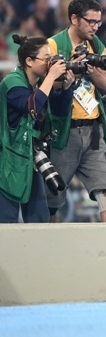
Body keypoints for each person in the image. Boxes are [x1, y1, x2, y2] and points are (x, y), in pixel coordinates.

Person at [47, 0, 106, 223]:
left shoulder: (96, 45)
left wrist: (89, 69)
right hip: (63, 133)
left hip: (94, 131)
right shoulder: (53, 45)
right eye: (91, 22)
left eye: (98, 22)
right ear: (74, 19)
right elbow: (44, 87)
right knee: (51, 200)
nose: (96, 27)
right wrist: (67, 71)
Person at [0, 34, 67, 223]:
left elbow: (60, 112)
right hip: (8, 159)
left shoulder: (39, 83)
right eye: (47, 59)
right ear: (29, 61)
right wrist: (51, 76)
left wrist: (66, 87)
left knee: (39, 219)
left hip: (30, 156)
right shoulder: (12, 82)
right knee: (6, 220)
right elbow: (32, 106)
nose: (51, 64)